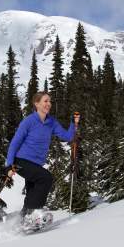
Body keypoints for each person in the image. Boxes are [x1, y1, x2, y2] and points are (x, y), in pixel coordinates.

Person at [5, 91, 80, 227]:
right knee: (45, 178)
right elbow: (15, 142)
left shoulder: (51, 122)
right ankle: (34, 213)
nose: (48, 104)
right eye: (45, 101)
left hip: (36, 164)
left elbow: (67, 137)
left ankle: (21, 223)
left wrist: (73, 123)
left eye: (49, 101)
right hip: (21, 161)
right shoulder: (28, 121)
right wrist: (9, 165)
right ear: (36, 104)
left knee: (32, 191)